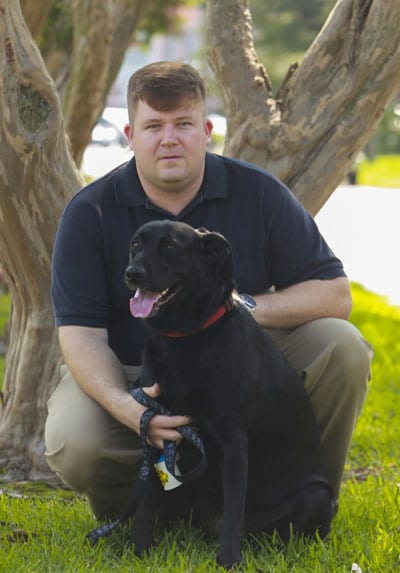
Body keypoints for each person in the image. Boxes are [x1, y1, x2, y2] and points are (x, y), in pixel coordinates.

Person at [45, 61, 373, 520]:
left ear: (206, 130)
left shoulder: (259, 193)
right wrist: (128, 408)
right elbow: (79, 334)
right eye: (153, 126)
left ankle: (300, 501)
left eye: (183, 124)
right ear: (130, 134)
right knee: (73, 440)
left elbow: (335, 294)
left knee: (342, 346)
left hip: (236, 359)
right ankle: (149, 510)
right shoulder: (90, 213)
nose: (169, 138)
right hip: (135, 368)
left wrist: (240, 307)